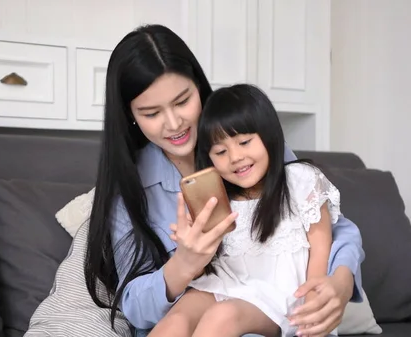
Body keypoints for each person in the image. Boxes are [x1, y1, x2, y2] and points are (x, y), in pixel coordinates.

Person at [83, 24, 364, 337]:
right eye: (152, 113)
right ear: (130, 115)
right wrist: (184, 265)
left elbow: (331, 225)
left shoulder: (252, 143)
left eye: (182, 101)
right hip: (208, 295)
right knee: (179, 321)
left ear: (198, 87)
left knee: (225, 320)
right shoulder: (131, 187)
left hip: (266, 305)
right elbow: (135, 306)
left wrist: (341, 281)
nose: (174, 123)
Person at [150, 83, 340, 337]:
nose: (235, 157)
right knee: (175, 322)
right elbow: (207, 264)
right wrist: (188, 250)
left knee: (222, 317)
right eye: (220, 151)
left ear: (269, 135)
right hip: (225, 284)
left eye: (245, 142)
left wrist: (314, 301)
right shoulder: (217, 198)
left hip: (280, 296)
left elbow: (320, 245)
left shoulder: (301, 179)